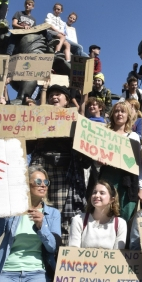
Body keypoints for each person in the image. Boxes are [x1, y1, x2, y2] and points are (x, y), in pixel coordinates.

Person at [30, 84, 87, 244]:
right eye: (51, 95)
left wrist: (84, 98)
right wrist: (42, 89)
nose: (54, 97)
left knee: (61, 212)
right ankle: (42, 246)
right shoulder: (42, 116)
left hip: (64, 169)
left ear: (66, 100)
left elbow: (82, 124)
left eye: (58, 95)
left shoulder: (74, 117)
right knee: (41, 206)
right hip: (43, 168)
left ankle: (60, 249)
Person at [99, 101, 142, 221]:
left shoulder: (134, 136)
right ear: (112, 114)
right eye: (116, 111)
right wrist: (98, 161)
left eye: (123, 111)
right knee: (106, 213)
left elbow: (137, 164)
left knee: (124, 216)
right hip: (108, 177)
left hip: (128, 181)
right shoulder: (105, 134)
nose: (119, 114)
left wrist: (141, 188)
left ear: (128, 116)